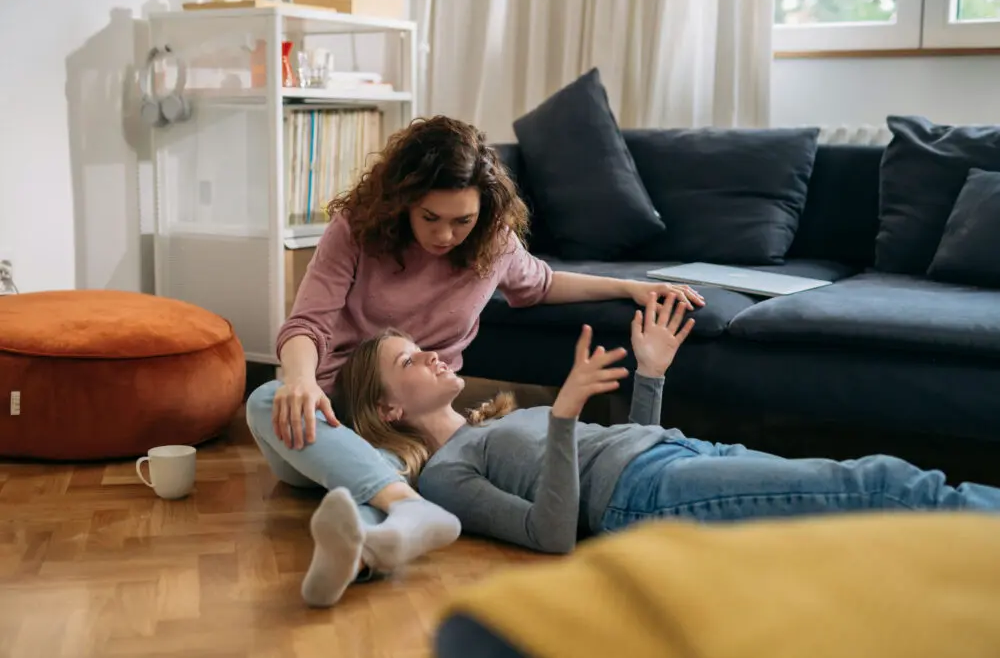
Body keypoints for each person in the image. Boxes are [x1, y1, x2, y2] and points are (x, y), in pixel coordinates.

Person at [244, 115, 706, 606]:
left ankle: (366, 548)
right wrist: (300, 380)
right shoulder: (357, 230)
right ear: (402, 201)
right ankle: (405, 507)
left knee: (390, 468)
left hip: (414, 435)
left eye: (461, 221)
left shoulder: (493, 241)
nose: (445, 236)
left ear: (483, 212)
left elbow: (541, 285)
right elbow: (307, 323)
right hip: (332, 414)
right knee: (266, 400)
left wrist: (631, 287)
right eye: (430, 218)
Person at [323, 292, 1000, 557]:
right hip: (651, 492)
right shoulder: (445, 474)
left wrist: (651, 375)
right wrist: (563, 415)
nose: (436, 353)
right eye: (412, 358)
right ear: (389, 410)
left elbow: (626, 444)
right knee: (876, 484)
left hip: (673, 457)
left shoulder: (497, 420)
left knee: (869, 508)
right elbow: (553, 532)